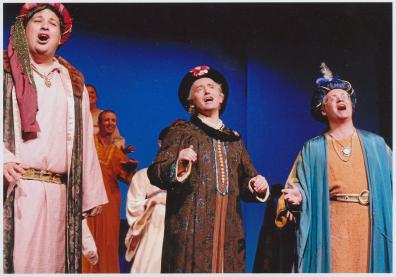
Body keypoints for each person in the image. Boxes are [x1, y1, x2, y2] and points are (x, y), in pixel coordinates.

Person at [3, 3, 108, 273]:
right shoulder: (5, 73)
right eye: (38, 20)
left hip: (61, 193)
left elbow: (83, 140)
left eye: (53, 22)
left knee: (55, 264)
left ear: (61, 36)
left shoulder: (72, 82)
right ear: (22, 30)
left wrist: (89, 193)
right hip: (17, 188)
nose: (45, 26)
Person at [147, 65, 270, 273]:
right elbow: (155, 172)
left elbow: (246, 179)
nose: (206, 91)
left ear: (221, 97)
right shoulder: (181, 132)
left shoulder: (234, 140)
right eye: (199, 88)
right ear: (190, 103)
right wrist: (179, 163)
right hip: (191, 227)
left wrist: (255, 185)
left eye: (211, 87)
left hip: (228, 228)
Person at [276, 63, 392, 273]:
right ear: (322, 109)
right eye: (333, 97)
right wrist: (298, 197)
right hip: (331, 225)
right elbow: (296, 186)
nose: (341, 99)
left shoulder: (376, 144)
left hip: (370, 223)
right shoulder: (314, 148)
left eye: (345, 96)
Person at [125, 120, 185, 273]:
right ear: (160, 144)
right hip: (152, 233)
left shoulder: (188, 177)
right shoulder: (143, 176)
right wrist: (153, 201)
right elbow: (133, 206)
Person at [82, 110, 138, 273]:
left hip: (110, 200)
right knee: (89, 237)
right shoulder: (89, 143)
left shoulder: (116, 151)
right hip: (90, 198)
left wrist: (130, 169)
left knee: (108, 240)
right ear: (98, 123)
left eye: (113, 120)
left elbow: (127, 179)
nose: (110, 123)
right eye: (106, 120)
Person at [87, 84, 134, 153]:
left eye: (92, 92)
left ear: (97, 97)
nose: (89, 95)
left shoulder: (106, 116)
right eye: (86, 93)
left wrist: (117, 152)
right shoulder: (76, 116)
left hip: (102, 157)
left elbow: (118, 139)